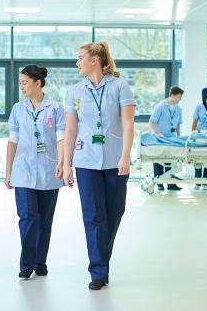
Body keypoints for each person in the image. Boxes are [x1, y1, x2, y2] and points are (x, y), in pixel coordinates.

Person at [63, 41, 135, 290]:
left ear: (95, 59)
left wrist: (125, 156)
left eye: (80, 57)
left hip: (115, 161)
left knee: (114, 213)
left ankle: (101, 260)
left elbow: (128, 125)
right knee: (93, 217)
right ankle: (98, 271)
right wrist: (66, 163)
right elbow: (70, 129)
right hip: (85, 162)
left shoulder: (119, 86)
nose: (77, 62)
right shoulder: (74, 91)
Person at [5, 65, 65, 279]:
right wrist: (8, 171)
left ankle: (40, 262)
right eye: (20, 82)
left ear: (37, 83)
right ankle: (27, 264)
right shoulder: (18, 109)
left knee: (45, 221)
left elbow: (61, 139)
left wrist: (63, 163)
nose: (21, 86)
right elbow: (12, 141)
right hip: (23, 172)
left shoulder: (56, 108)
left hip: (50, 171)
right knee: (28, 217)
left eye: (24, 82)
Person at [148, 86, 184, 191]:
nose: (180, 99)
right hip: (161, 137)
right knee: (159, 158)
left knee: (171, 158)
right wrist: (158, 133)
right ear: (172, 95)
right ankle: (159, 183)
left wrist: (179, 137)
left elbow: (178, 125)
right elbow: (151, 122)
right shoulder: (160, 106)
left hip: (172, 137)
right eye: (179, 97)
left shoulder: (178, 108)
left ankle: (171, 183)